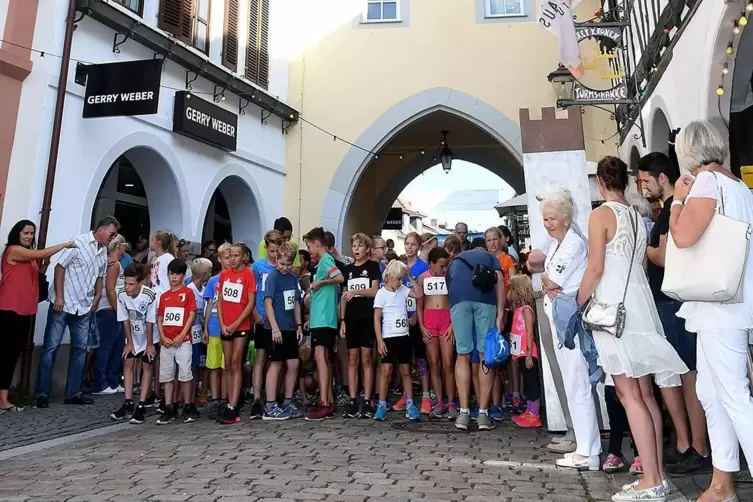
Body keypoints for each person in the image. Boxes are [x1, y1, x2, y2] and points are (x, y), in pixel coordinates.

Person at [577, 156, 687, 502]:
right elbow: (639, 264)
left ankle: (651, 480)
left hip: (613, 309)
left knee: (628, 394)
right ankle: (657, 476)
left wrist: (581, 300)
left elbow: (595, 267)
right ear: (625, 181)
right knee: (644, 393)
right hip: (638, 306)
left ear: (599, 182)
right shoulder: (637, 217)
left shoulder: (601, 214)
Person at [670, 120, 753, 502]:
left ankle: (724, 484)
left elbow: (683, 236)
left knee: (733, 394)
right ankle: (722, 483)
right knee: (710, 390)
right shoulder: (738, 185)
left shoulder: (706, 183)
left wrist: (676, 200)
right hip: (728, 299)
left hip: (719, 305)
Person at [637, 151, 711, 474]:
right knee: (684, 372)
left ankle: (697, 445)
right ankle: (692, 444)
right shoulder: (666, 211)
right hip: (670, 301)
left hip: (673, 302)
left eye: (645, 181)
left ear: (661, 179)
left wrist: (645, 250)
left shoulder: (671, 211)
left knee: (687, 373)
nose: (642, 187)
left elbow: (665, 256)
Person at [529, 190, 601, 467]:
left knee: (578, 384)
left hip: (570, 323)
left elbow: (550, 281)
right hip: (560, 320)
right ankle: (584, 445)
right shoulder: (558, 244)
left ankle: (588, 450)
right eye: (545, 219)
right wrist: (549, 280)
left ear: (566, 219)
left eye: (552, 219)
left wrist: (549, 280)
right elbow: (548, 281)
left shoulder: (572, 244)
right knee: (573, 385)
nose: (547, 224)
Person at [35, 216, 119, 408]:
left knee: (81, 349)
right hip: (63, 304)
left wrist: (97, 295)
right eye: (111, 234)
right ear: (101, 230)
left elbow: (99, 275)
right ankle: (42, 393)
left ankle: (73, 392)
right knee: (51, 348)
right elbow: (59, 267)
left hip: (83, 306)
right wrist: (59, 296)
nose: (112, 238)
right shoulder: (78, 242)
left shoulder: (102, 251)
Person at [0, 221, 73, 412]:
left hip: (25, 310)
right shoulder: (13, 250)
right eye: (26, 233)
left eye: (32, 233)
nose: (29, 236)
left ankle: (3, 399)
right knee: (5, 354)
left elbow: (33, 279)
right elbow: (41, 253)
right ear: (17, 233)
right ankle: (3, 399)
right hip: (9, 310)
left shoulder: (29, 259)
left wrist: (43, 268)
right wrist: (64, 244)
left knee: (12, 355)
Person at [446, 242, 505, 431]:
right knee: (484, 354)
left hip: (459, 302)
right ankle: (483, 414)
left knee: (462, 354)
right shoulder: (490, 257)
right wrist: (501, 313)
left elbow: (450, 287)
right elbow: (500, 281)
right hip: (485, 301)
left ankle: (463, 413)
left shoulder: (455, 261)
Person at [373, 259, 422, 421]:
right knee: (386, 371)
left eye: (402, 279)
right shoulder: (381, 293)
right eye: (397, 279)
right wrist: (379, 340)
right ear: (388, 277)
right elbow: (376, 317)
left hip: (403, 336)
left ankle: (409, 403)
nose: (400, 282)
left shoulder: (403, 289)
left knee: (406, 371)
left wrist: (409, 276)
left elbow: (419, 294)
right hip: (388, 336)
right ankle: (381, 403)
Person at [304, 227, 344, 421]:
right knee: (324, 358)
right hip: (321, 317)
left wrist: (320, 283)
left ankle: (325, 402)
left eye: (309, 245)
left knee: (321, 357)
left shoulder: (326, 259)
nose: (309, 250)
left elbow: (339, 277)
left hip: (324, 318)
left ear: (317, 243)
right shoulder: (321, 262)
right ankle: (327, 399)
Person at [339, 233, 381, 419]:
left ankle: (367, 399)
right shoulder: (347, 269)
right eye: (354, 246)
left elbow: (374, 291)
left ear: (367, 249)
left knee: (366, 358)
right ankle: (353, 399)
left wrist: (356, 291)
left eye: (360, 246)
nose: (356, 249)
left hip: (366, 317)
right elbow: (344, 297)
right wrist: (342, 321)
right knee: (352, 358)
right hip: (351, 318)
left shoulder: (372, 266)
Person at [110, 263, 158, 424]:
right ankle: (128, 402)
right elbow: (124, 318)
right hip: (133, 334)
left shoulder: (149, 295)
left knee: (146, 366)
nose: (127, 287)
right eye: (125, 283)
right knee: (128, 363)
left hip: (149, 336)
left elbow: (151, 321)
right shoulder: (122, 295)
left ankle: (142, 404)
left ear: (139, 283)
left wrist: (150, 344)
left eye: (131, 284)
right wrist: (129, 342)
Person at [262, 242, 304, 420]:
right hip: (276, 328)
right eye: (282, 264)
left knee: (293, 364)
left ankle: (288, 401)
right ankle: (270, 405)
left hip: (289, 327)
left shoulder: (292, 278)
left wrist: (299, 325)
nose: (285, 268)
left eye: (288, 264)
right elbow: (268, 303)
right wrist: (274, 328)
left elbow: (295, 302)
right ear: (276, 259)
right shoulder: (272, 277)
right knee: (276, 363)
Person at [216, 243, 256, 424]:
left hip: (241, 326)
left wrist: (235, 324)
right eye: (230, 255)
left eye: (236, 255)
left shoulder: (248, 274)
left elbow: (250, 303)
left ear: (243, 257)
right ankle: (229, 400)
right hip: (226, 325)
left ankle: (234, 403)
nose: (232, 259)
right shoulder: (224, 275)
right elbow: (220, 301)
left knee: (236, 363)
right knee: (228, 364)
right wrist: (223, 323)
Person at [155, 259, 197, 425]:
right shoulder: (164, 296)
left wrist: (182, 335)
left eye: (177, 274)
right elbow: (159, 318)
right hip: (167, 342)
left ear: (183, 275)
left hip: (183, 341)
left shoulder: (187, 293)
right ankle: (169, 406)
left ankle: (188, 405)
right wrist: (162, 336)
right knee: (167, 375)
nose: (174, 277)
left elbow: (191, 315)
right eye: (171, 274)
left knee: (185, 374)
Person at [394, 232, 432, 414]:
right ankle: (405, 395)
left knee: (421, 359)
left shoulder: (423, 267)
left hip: (417, 319)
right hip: (400, 320)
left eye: (413, 244)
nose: (409, 247)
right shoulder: (399, 266)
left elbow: (423, 295)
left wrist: (417, 316)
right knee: (404, 360)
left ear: (419, 247)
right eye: (407, 244)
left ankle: (426, 396)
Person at [416, 247, 456, 419]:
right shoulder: (423, 278)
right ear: (431, 264)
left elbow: (455, 301)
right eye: (441, 266)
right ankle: (439, 401)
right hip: (430, 322)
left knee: (448, 363)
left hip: (446, 321)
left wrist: (453, 325)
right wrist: (422, 327)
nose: (443, 269)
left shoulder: (449, 277)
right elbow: (419, 306)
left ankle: (452, 402)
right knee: (434, 363)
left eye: (446, 265)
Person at [248, 230, 283, 419]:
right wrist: (255, 314)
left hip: (278, 319)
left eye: (278, 250)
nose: (275, 254)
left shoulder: (282, 268)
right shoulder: (258, 266)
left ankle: (272, 396)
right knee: (260, 359)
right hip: (262, 317)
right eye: (271, 250)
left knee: (276, 359)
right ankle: (256, 399)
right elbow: (252, 292)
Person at [92, 234, 127, 395]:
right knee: (106, 346)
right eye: (124, 245)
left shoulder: (110, 262)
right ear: (119, 246)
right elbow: (110, 288)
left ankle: (112, 380)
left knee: (118, 345)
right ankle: (100, 382)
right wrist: (117, 309)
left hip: (113, 309)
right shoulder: (114, 264)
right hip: (109, 309)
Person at [508, 275, 542, 428]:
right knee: (527, 383)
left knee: (531, 383)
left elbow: (529, 332)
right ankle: (529, 410)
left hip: (527, 352)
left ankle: (534, 414)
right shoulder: (519, 309)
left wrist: (529, 353)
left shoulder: (527, 310)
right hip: (520, 352)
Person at [202, 243, 231, 420]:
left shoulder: (235, 279)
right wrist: (205, 327)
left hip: (228, 327)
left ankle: (226, 399)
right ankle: (215, 399)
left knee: (226, 366)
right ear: (219, 259)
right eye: (226, 258)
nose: (229, 261)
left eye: (231, 257)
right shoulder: (214, 281)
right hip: (214, 327)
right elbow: (209, 305)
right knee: (213, 366)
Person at [186, 258, 213, 414]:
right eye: (209, 271)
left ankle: (203, 392)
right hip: (193, 332)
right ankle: (191, 391)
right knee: (193, 364)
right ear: (203, 274)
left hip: (205, 331)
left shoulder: (204, 290)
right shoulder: (190, 290)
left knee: (204, 364)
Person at [149, 231, 177, 295]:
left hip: (164, 296)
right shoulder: (157, 259)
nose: (150, 243)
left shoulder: (168, 258)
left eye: (152, 240)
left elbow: (168, 280)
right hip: (157, 296)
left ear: (158, 243)